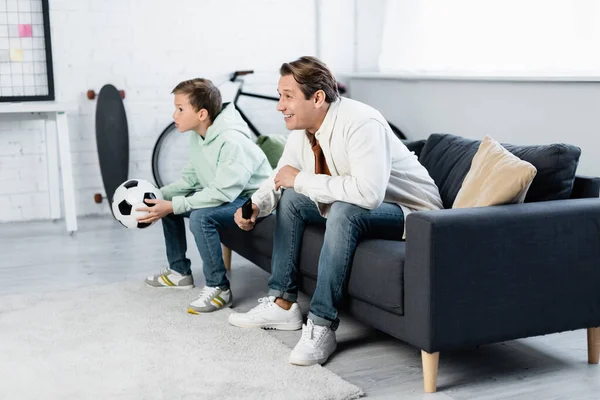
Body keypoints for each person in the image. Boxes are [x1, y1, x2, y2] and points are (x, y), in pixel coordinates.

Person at [228, 56, 443, 366]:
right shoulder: (302, 131)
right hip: (365, 204)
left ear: (317, 98)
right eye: (280, 95)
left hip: (413, 212)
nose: (279, 105)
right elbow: (281, 176)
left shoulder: (360, 122)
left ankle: (322, 324)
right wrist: (255, 207)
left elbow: (368, 194)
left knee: (343, 210)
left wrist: (300, 179)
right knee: (291, 198)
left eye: (287, 96)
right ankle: (283, 303)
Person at [137, 78, 272, 314]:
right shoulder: (199, 135)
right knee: (168, 205)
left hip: (252, 200)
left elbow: (222, 192)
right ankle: (180, 272)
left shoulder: (231, 141)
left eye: (180, 109)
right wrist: (156, 197)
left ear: (201, 114)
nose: (174, 115)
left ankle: (219, 288)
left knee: (199, 217)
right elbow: (191, 178)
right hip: (230, 194)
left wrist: (173, 205)